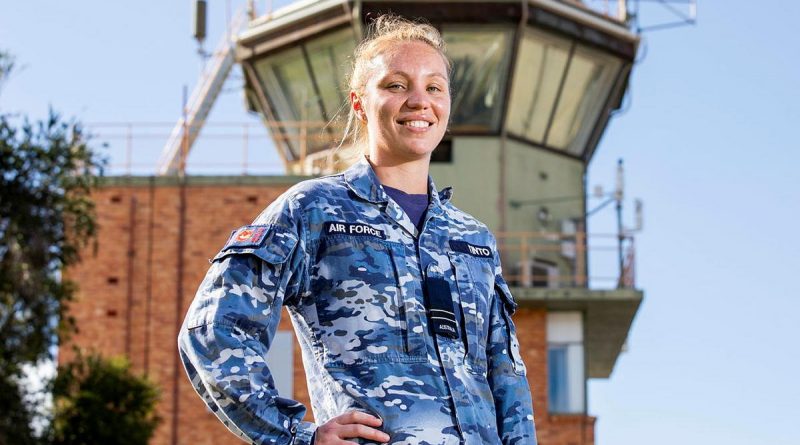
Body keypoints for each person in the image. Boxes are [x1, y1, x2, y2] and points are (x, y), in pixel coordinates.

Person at [178, 14, 537, 445]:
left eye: (434, 87)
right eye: (396, 85)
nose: (419, 101)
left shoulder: (473, 240)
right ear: (359, 102)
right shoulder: (313, 211)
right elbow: (212, 329)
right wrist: (296, 435)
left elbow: (507, 380)